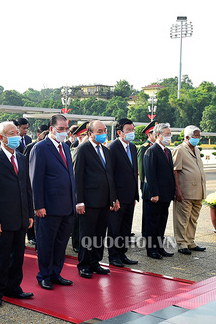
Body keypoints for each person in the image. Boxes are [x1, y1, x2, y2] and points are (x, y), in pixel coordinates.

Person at [0, 121, 34, 306]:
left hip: (20, 216)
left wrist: (29, 214)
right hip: (1, 220)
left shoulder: (21, 158)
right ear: (1, 138)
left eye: (17, 133)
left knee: (17, 256)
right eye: (12, 134)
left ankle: (13, 287)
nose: (17, 136)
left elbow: (26, 188)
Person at [29, 114, 76, 290]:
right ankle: (44, 275)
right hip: (48, 207)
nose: (64, 132)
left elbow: (70, 177)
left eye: (66, 129)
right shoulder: (41, 148)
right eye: (60, 129)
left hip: (66, 206)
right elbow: (36, 179)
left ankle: (56, 273)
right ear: (51, 129)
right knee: (46, 243)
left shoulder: (65, 147)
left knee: (61, 243)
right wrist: (38, 205)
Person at [73, 120, 118, 278]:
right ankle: (84, 264)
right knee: (87, 234)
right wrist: (79, 201)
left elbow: (109, 176)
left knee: (99, 234)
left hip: (104, 201)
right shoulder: (82, 150)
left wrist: (113, 198)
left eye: (104, 130)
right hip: (88, 201)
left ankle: (95, 262)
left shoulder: (105, 150)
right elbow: (77, 177)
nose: (103, 134)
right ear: (90, 134)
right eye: (99, 131)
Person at [107, 118, 139, 267]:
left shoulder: (132, 147)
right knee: (115, 227)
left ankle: (122, 253)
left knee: (126, 227)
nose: (131, 132)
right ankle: (113, 256)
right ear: (119, 132)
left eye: (132, 129)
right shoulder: (112, 148)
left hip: (129, 196)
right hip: (118, 197)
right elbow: (110, 175)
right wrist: (113, 198)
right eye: (128, 130)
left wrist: (134, 195)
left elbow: (134, 172)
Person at [142, 123, 175, 259]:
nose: (169, 136)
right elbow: (150, 175)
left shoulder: (167, 151)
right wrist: (155, 193)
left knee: (161, 222)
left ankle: (159, 247)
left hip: (165, 195)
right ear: (158, 135)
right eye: (166, 134)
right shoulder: (151, 150)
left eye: (169, 134)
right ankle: (151, 250)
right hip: (154, 195)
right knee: (152, 223)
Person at [172, 125, 207, 255]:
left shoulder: (196, 150)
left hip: (198, 191)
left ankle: (190, 241)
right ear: (187, 137)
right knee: (182, 218)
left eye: (198, 136)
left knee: (193, 218)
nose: (197, 139)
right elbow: (175, 171)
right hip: (185, 191)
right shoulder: (179, 150)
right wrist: (178, 191)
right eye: (195, 136)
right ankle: (181, 243)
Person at [69, 122, 89, 253]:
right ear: (80, 137)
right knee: (77, 220)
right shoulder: (76, 148)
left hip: (90, 191)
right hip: (78, 190)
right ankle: (76, 242)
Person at [137, 121, 157, 194]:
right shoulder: (144, 148)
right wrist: (144, 184)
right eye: (155, 133)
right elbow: (141, 168)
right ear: (149, 134)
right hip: (147, 183)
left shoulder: (157, 147)